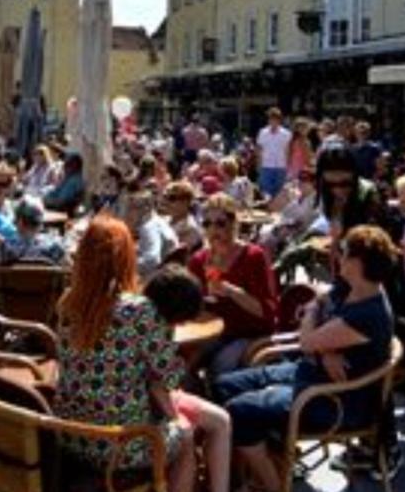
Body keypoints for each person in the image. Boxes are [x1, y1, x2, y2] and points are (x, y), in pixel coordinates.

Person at [214, 225, 397, 491]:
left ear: (357, 262)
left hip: (334, 400)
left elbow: (306, 340)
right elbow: (321, 302)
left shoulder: (368, 313)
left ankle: (273, 485)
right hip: (311, 374)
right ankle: (268, 463)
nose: (337, 255)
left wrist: (313, 317)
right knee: (224, 385)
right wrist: (326, 348)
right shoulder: (353, 287)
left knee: (240, 410)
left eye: (344, 252)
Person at [53, 217, 195, 492]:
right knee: (186, 435)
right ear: (126, 257)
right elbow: (171, 377)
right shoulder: (138, 311)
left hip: (71, 434)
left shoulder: (67, 302)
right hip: (121, 444)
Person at [142, 266, 231, 492]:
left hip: (148, 400)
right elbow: (159, 385)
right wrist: (176, 419)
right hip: (148, 406)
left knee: (220, 420)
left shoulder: (142, 318)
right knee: (192, 433)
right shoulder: (153, 328)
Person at [188, 193, 278, 374]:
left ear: (234, 223)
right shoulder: (199, 260)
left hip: (247, 333)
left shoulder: (253, 256)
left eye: (220, 223)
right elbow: (190, 304)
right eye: (207, 224)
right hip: (210, 331)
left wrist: (232, 292)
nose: (213, 230)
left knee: (220, 366)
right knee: (182, 361)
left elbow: (267, 311)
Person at [0, 196, 64, 268]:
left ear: (20, 222)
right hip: (46, 285)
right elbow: (68, 270)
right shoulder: (54, 248)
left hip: (11, 285)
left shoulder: (6, 248)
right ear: (40, 223)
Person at [120, 184, 178, 278]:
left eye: (132, 208)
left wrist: (125, 266)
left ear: (146, 209)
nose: (127, 213)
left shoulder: (149, 227)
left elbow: (153, 260)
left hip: (159, 278)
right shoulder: (155, 221)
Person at [256, 107, 292, 199]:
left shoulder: (286, 134)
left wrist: (287, 167)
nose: (272, 121)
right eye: (270, 118)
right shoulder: (262, 132)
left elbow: (288, 151)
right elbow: (259, 150)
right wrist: (259, 165)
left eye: (275, 119)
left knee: (279, 193)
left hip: (281, 166)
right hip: (266, 166)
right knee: (266, 192)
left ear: (279, 120)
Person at [160, 180, 204, 252]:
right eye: (165, 197)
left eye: (172, 198)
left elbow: (176, 255)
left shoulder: (191, 229)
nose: (166, 202)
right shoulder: (163, 220)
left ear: (185, 201)